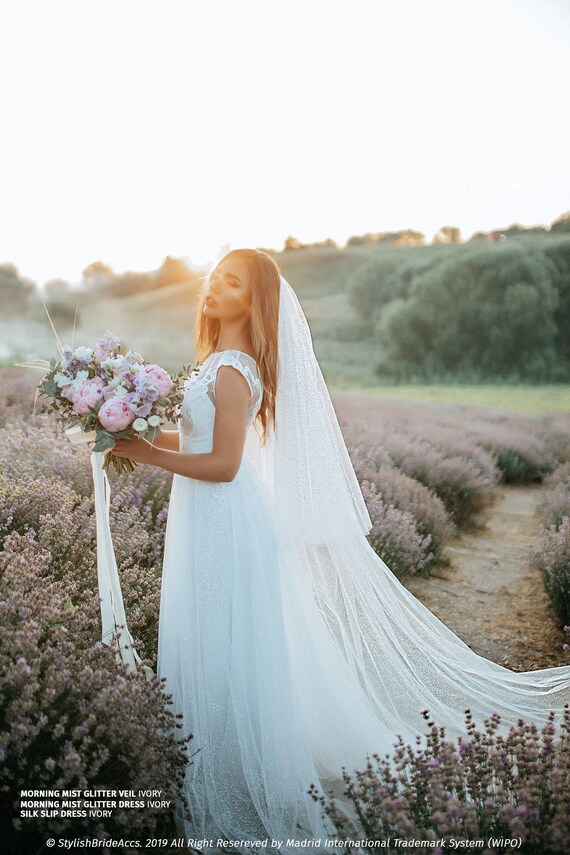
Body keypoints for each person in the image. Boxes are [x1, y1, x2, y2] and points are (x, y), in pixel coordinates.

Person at [111, 248, 570, 853]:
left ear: (256, 300)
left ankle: (236, 774)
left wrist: (142, 453)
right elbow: (199, 438)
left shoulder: (230, 367)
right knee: (215, 631)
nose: (214, 289)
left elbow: (222, 465)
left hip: (224, 513)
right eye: (213, 277)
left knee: (224, 633)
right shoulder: (217, 362)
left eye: (232, 282)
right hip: (207, 514)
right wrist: (129, 433)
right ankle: (213, 760)